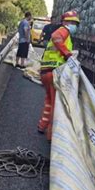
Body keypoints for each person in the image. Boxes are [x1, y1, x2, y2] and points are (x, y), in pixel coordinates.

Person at [38, 11, 80, 141]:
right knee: (56, 103)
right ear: (64, 22)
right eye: (71, 22)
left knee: (49, 100)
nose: (73, 25)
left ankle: (42, 125)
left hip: (45, 71)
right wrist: (68, 54)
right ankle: (51, 135)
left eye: (75, 23)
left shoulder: (63, 31)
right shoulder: (63, 31)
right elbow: (56, 37)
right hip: (54, 72)